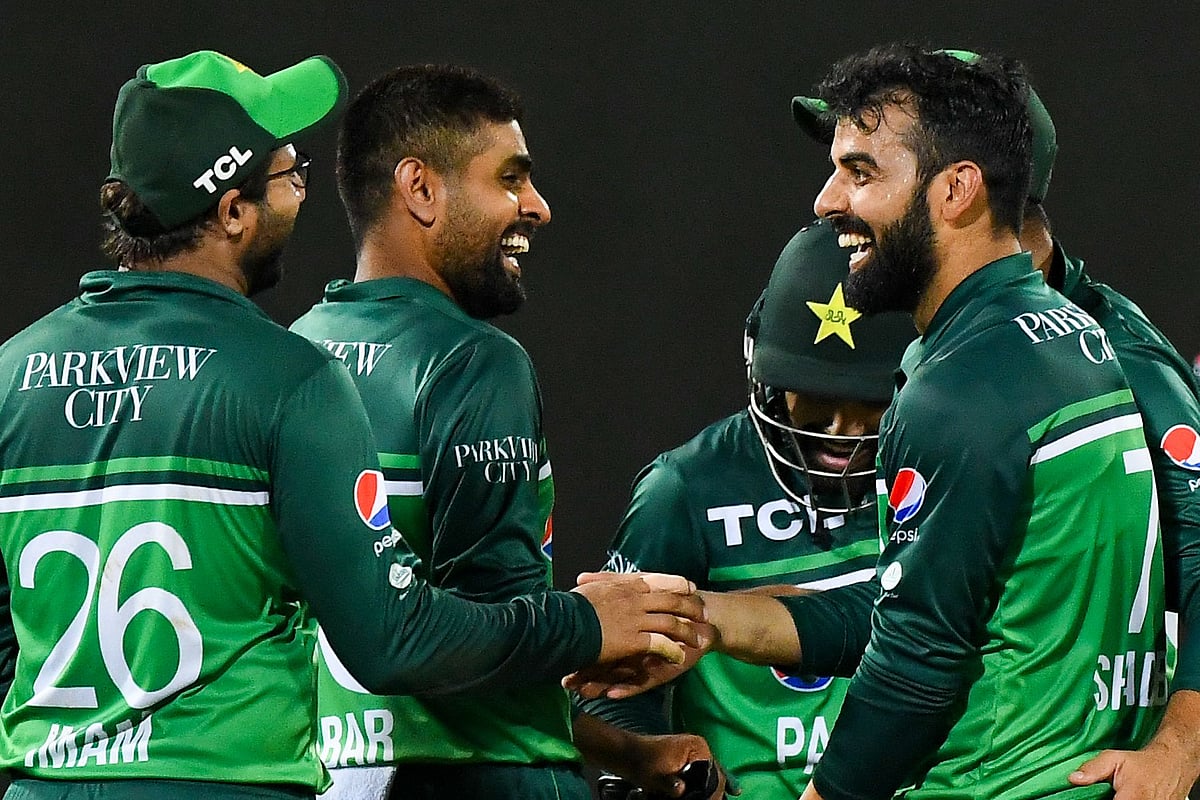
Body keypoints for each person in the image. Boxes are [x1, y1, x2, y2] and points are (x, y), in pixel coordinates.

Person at [0, 51, 704, 800]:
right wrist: (585, 622)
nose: (302, 193)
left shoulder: (12, 373)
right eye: (289, 172)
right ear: (233, 211)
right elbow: (395, 640)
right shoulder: (288, 378)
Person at [289, 63, 706, 800]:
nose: (537, 207)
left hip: (325, 775)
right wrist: (594, 621)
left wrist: (627, 752)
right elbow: (483, 642)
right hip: (478, 781)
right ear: (420, 188)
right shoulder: (471, 363)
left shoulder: (295, 351)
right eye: (510, 179)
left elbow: (447, 648)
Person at [794, 53, 1200, 799]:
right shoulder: (1078, 335)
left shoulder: (964, 384)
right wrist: (721, 620)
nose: (825, 202)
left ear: (957, 188)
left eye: (859, 172)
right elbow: (956, 594)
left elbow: (918, 657)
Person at [575, 218, 916, 798]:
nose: (843, 432)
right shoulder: (683, 491)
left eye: (870, 403)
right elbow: (613, 692)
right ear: (765, 370)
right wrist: (665, 767)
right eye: (817, 397)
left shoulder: (940, 471)